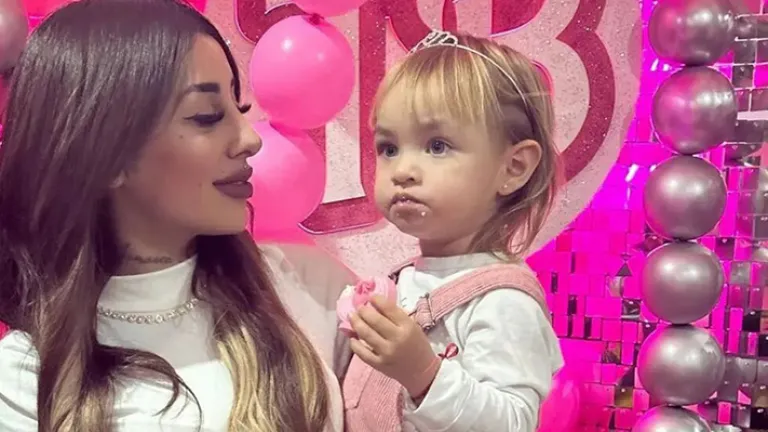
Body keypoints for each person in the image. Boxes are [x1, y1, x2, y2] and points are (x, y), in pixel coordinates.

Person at [0, 0, 355, 431]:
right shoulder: (25, 378)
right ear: (105, 155)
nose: (250, 139)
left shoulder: (309, 289)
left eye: (239, 108)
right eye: (207, 117)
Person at [337, 30, 565, 431]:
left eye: (437, 146)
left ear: (513, 168)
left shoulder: (503, 302)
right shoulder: (406, 279)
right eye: (389, 148)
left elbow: (513, 423)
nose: (403, 170)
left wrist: (424, 374)